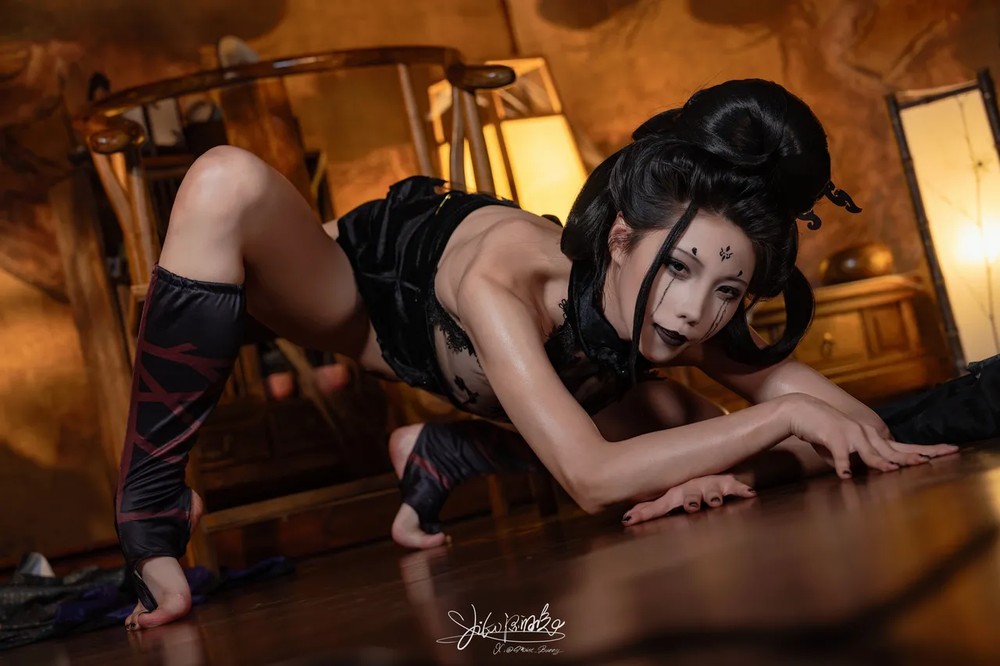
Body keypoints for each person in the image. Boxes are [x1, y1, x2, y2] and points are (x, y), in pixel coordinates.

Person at [115, 79, 962, 631]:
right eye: (678, 268)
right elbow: (593, 479)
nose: (695, 310)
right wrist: (776, 420)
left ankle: (449, 453)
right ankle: (151, 514)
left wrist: (756, 445)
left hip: (515, 381)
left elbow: (848, 426)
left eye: (728, 289)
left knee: (712, 434)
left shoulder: (677, 312)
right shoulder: (504, 283)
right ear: (621, 239)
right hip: (356, 299)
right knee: (224, 178)